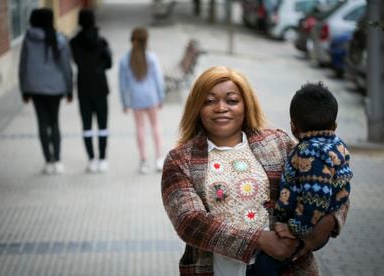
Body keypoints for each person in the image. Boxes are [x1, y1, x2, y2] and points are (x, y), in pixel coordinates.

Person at [161, 66, 350, 276]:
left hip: (289, 267)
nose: (221, 107)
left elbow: (331, 183)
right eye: (209, 101)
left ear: (246, 105)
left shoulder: (278, 143)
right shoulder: (179, 161)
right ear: (197, 108)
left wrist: (319, 231)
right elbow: (189, 221)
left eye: (231, 100)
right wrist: (260, 240)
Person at [254, 82, 353, 275]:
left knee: (264, 267)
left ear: (293, 127)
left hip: (305, 226)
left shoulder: (311, 152)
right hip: (317, 221)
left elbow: (316, 198)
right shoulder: (337, 144)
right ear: (334, 125)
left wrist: (295, 229)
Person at [19, 8, 73, 175]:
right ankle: (57, 159)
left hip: (34, 88)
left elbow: (23, 66)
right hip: (56, 88)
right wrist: (70, 88)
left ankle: (48, 161)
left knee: (42, 123)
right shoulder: (59, 39)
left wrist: (24, 89)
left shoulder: (28, 40)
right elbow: (66, 67)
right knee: (54, 122)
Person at [70, 9, 112, 173]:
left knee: (87, 127)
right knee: (103, 126)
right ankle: (103, 159)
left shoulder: (73, 42)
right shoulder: (102, 41)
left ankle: (91, 159)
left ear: (80, 21)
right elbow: (109, 64)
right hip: (100, 87)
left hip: (83, 88)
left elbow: (76, 61)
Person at [119, 27, 165, 174]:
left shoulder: (124, 60)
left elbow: (122, 84)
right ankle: (158, 159)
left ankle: (143, 161)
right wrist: (161, 96)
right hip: (151, 97)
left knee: (140, 128)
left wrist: (124, 102)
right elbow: (158, 79)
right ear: (146, 40)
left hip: (135, 98)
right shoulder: (151, 57)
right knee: (155, 127)